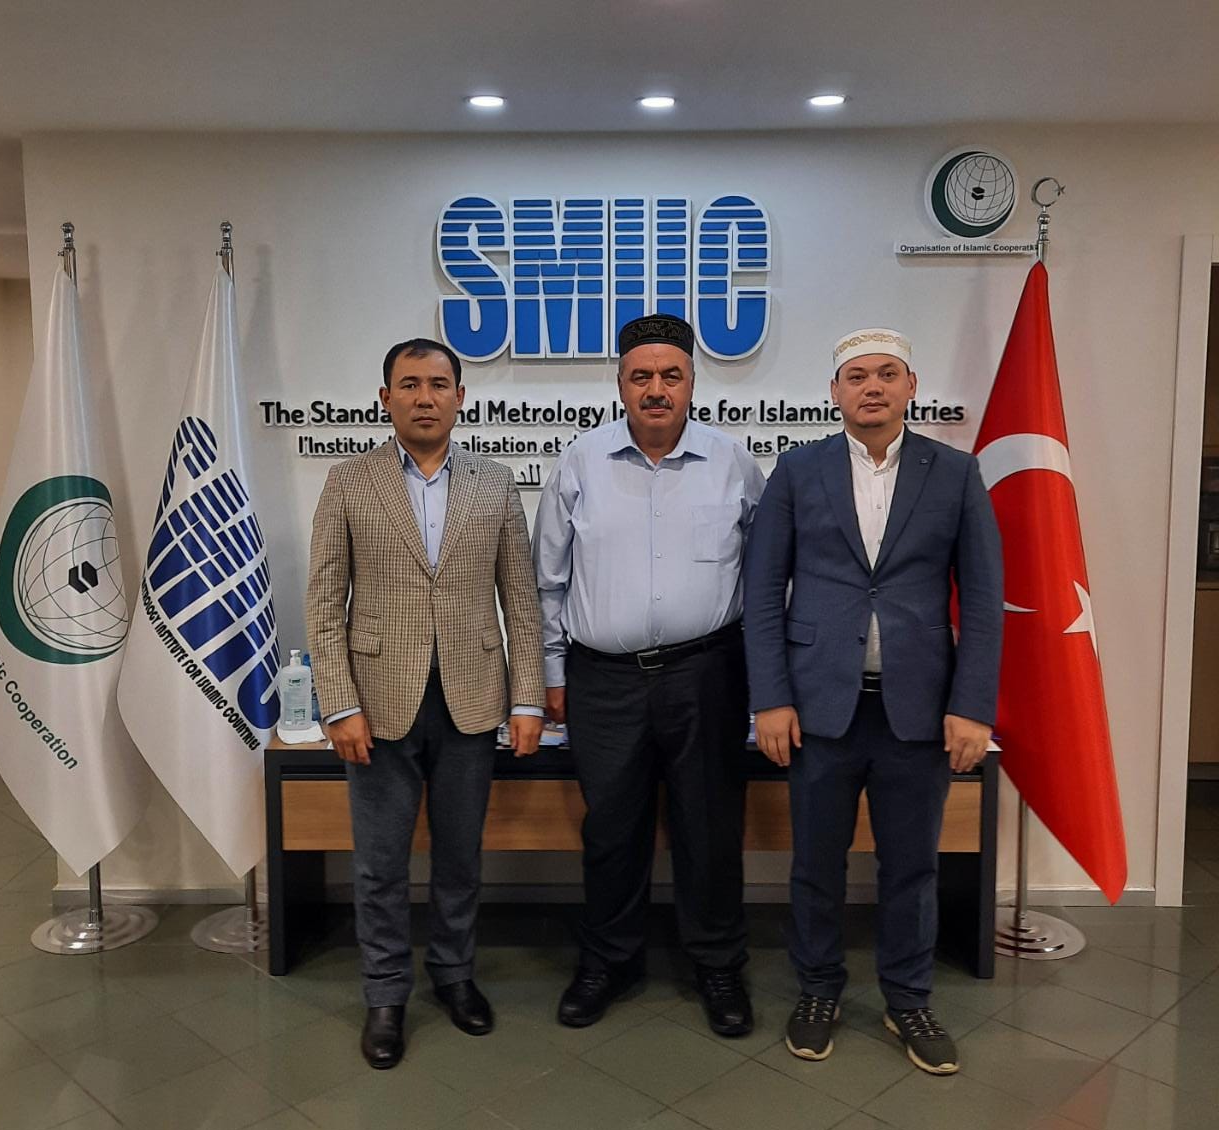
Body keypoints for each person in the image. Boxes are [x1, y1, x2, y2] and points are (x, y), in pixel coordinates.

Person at [743, 328, 1003, 1075]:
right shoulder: (798, 470)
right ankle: (818, 990)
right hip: (820, 709)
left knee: (912, 867)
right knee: (816, 865)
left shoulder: (955, 472)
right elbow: (762, 591)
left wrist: (972, 705)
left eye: (887, 374)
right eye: (857, 376)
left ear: (911, 385)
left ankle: (908, 998)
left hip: (917, 710)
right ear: (835, 391)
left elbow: (984, 598)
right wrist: (770, 698)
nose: (873, 387)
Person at [305, 337, 545, 1070]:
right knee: (379, 864)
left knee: (460, 856)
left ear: (460, 397)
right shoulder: (348, 482)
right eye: (408, 384)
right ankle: (385, 994)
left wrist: (528, 699)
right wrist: (339, 704)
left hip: (473, 699)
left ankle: (454, 973)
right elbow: (323, 603)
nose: (424, 397)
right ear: (386, 398)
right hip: (378, 706)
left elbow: (522, 601)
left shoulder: (495, 483)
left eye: (438, 384)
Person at [532, 313, 766, 1037]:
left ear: (693, 381)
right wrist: (552, 671)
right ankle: (609, 960)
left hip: (709, 673)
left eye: (671, 375)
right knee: (612, 829)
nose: (656, 389)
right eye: (641, 376)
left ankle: (717, 962)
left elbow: (766, 579)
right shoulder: (580, 463)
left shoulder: (734, 465)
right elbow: (548, 581)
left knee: (709, 826)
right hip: (603, 681)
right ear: (620, 383)